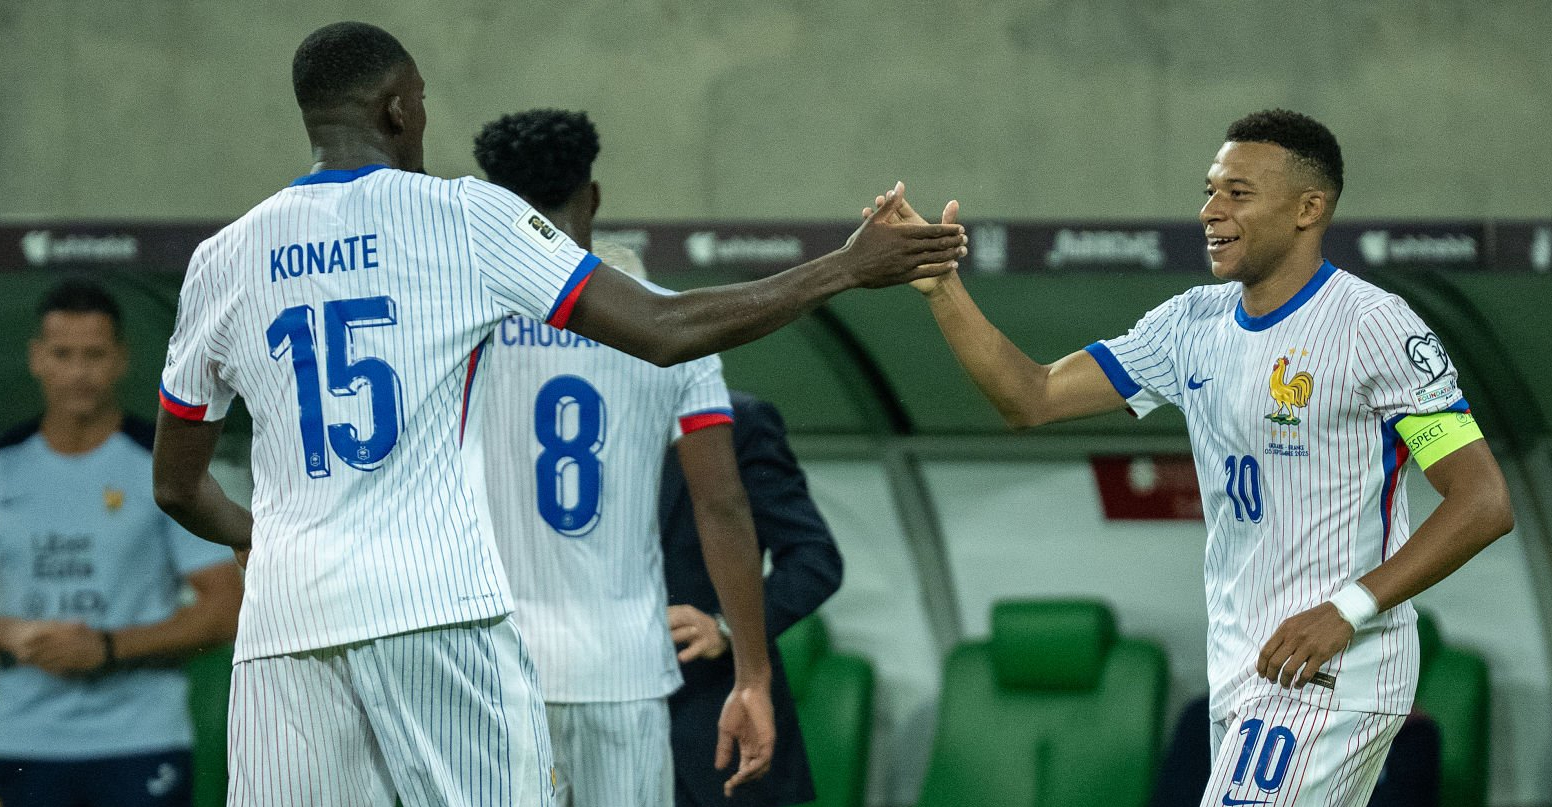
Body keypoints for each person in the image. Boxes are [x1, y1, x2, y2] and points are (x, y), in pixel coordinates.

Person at [150, 21, 965, 807]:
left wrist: (262, 538)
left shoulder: (221, 260)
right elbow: (663, 333)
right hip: (448, 612)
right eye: (424, 99)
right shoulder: (462, 218)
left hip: (284, 620)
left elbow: (177, 487)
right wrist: (846, 268)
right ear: (399, 106)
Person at [891, 109, 1513, 806]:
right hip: (1244, 670)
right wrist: (942, 285)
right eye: (1209, 190)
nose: (1210, 210)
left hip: (1335, 669)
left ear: (1309, 209)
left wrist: (1346, 607)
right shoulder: (1192, 324)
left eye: (1238, 193)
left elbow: (1482, 500)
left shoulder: (1374, 327)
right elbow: (1030, 396)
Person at [471, 108, 774, 806]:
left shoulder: (461, 326)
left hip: (495, 674)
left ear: (492, 203)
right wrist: (751, 673)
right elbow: (721, 502)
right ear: (594, 197)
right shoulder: (671, 319)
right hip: (625, 670)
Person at [0, 279, 242, 807]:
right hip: (19, 740)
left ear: (121, 360)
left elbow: (227, 608)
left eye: (94, 354)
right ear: (37, 358)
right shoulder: (4, 470)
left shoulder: (161, 470)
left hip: (139, 739)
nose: (79, 371)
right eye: (63, 354)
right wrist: (9, 631)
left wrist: (106, 648)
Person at [662, 390, 843, 807]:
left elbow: (814, 558)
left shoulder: (738, 421)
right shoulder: (556, 415)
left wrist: (724, 626)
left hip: (710, 729)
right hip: (586, 720)